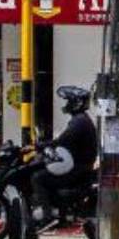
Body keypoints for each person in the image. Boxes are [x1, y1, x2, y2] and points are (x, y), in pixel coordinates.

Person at [31, 86, 99, 228]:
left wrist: (42, 145)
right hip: (79, 166)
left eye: (69, 101)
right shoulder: (80, 120)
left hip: (77, 169)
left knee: (38, 178)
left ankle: (47, 216)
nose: (66, 104)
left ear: (76, 103)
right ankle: (56, 213)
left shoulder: (79, 122)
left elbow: (63, 140)